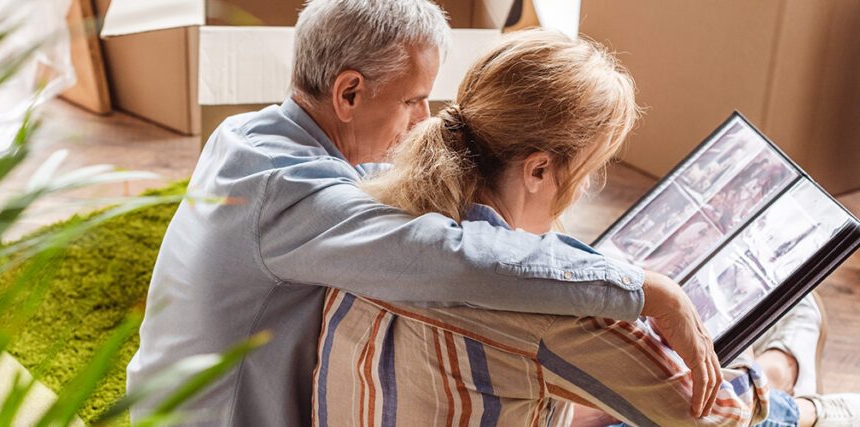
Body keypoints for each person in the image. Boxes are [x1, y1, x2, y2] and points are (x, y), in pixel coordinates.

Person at [127, 1, 721, 425]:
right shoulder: (291, 194)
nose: (423, 118)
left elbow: (386, 195)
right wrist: (646, 289)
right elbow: (452, 261)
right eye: (412, 99)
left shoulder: (249, 135)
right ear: (349, 93)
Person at [312, 29, 860, 427]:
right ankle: (787, 370)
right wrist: (786, 388)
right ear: (539, 170)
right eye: (591, 170)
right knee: (794, 375)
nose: (587, 187)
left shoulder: (365, 222)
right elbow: (711, 418)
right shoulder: (556, 315)